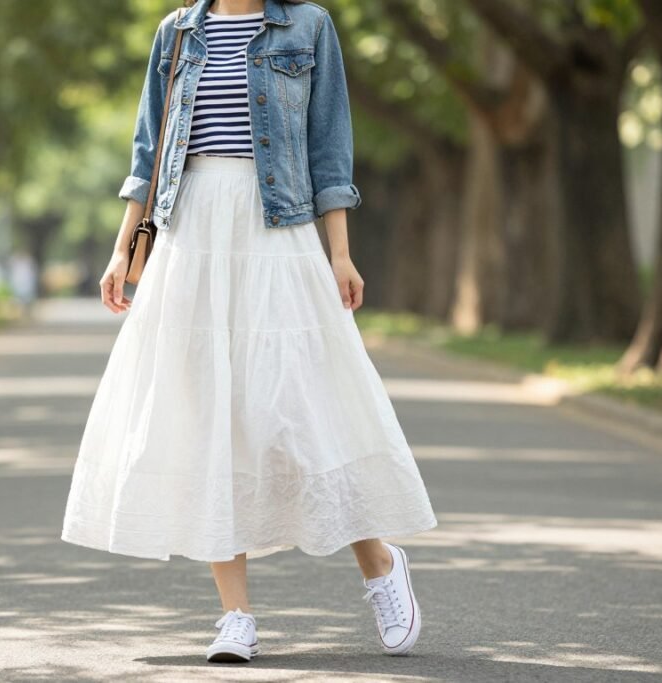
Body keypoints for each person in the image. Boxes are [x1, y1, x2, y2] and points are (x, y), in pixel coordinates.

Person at [60, 0, 438, 663]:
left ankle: (379, 563)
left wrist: (339, 252)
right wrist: (124, 250)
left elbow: (329, 145)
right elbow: (148, 149)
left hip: (278, 230)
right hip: (191, 236)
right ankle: (235, 614)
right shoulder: (177, 32)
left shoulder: (308, 26)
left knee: (301, 407)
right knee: (207, 418)